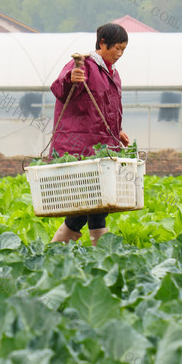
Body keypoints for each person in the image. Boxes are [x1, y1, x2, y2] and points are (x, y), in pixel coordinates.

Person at [48, 23, 131, 246]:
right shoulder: (84, 66)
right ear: (102, 43)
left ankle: (58, 249)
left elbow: (106, 110)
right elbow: (59, 90)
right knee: (94, 203)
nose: (120, 54)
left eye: (123, 49)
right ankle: (102, 254)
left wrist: (118, 131)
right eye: (117, 48)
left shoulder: (112, 74)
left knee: (92, 203)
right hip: (81, 147)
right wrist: (70, 79)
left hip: (101, 147)